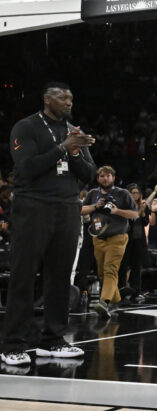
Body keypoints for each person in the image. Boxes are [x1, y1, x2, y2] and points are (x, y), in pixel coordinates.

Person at [2, 82, 96, 365]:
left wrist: (76, 152)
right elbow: (27, 167)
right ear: (47, 99)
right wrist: (63, 148)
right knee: (24, 274)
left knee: (59, 275)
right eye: (62, 97)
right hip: (34, 206)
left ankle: (53, 339)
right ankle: (12, 345)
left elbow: (89, 174)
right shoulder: (26, 127)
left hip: (67, 207)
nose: (68, 102)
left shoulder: (73, 131)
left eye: (71, 97)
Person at [81, 165, 139, 318]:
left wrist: (116, 211)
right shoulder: (93, 194)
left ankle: (104, 302)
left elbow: (135, 214)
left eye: (108, 176)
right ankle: (116, 297)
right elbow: (81, 210)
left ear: (113, 178)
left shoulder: (123, 194)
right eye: (102, 176)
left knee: (110, 270)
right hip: (98, 238)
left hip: (117, 238)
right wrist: (95, 206)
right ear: (97, 178)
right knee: (101, 273)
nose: (105, 178)